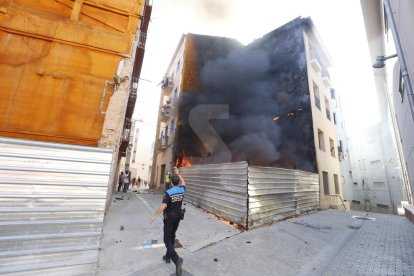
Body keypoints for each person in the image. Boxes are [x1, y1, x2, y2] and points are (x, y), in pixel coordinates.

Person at [150, 167, 185, 276]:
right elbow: (183, 182)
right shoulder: (182, 189)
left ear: (171, 181)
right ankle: (167, 256)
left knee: (166, 239)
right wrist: (178, 173)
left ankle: (176, 259)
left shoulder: (168, 192)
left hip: (169, 218)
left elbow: (163, 206)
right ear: (178, 181)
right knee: (172, 236)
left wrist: (154, 216)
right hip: (178, 217)